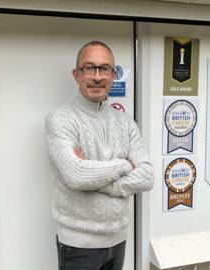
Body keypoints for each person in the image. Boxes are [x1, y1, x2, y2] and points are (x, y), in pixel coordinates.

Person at [45, 40, 154, 270]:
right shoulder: (60, 120)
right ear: (76, 74)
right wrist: (125, 165)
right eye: (89, 68)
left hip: (119, 240)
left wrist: (94, 178)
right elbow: (76, 176)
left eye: (104, 68)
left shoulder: (126, 122)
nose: (97, 76)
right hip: (77, 247)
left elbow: (147, 177)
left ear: (113, 75)